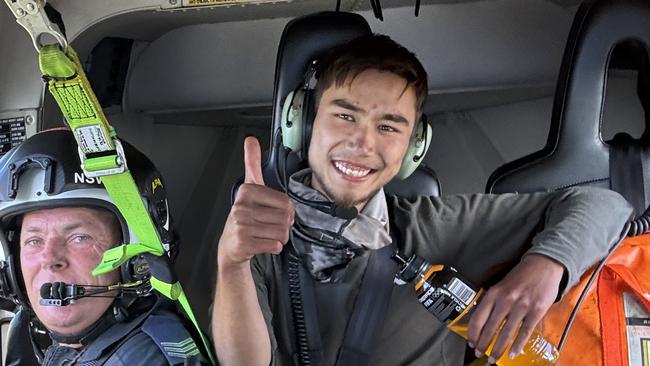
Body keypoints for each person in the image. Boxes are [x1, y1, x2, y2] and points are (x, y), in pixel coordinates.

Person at [212, 34, 632, 366]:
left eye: (389, 127)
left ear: (414, 148)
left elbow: (606, 205)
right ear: (303, 124)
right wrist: (232, 264)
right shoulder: (258, 232)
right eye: (344, 115)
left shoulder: (436, 225)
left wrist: (545, 267)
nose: (362, 143)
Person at [0, 129, 210, 365]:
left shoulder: (144, 358)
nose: (49, 258)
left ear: (137, 259)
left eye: (79, 238)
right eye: (34, 241)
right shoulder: (42, 341)